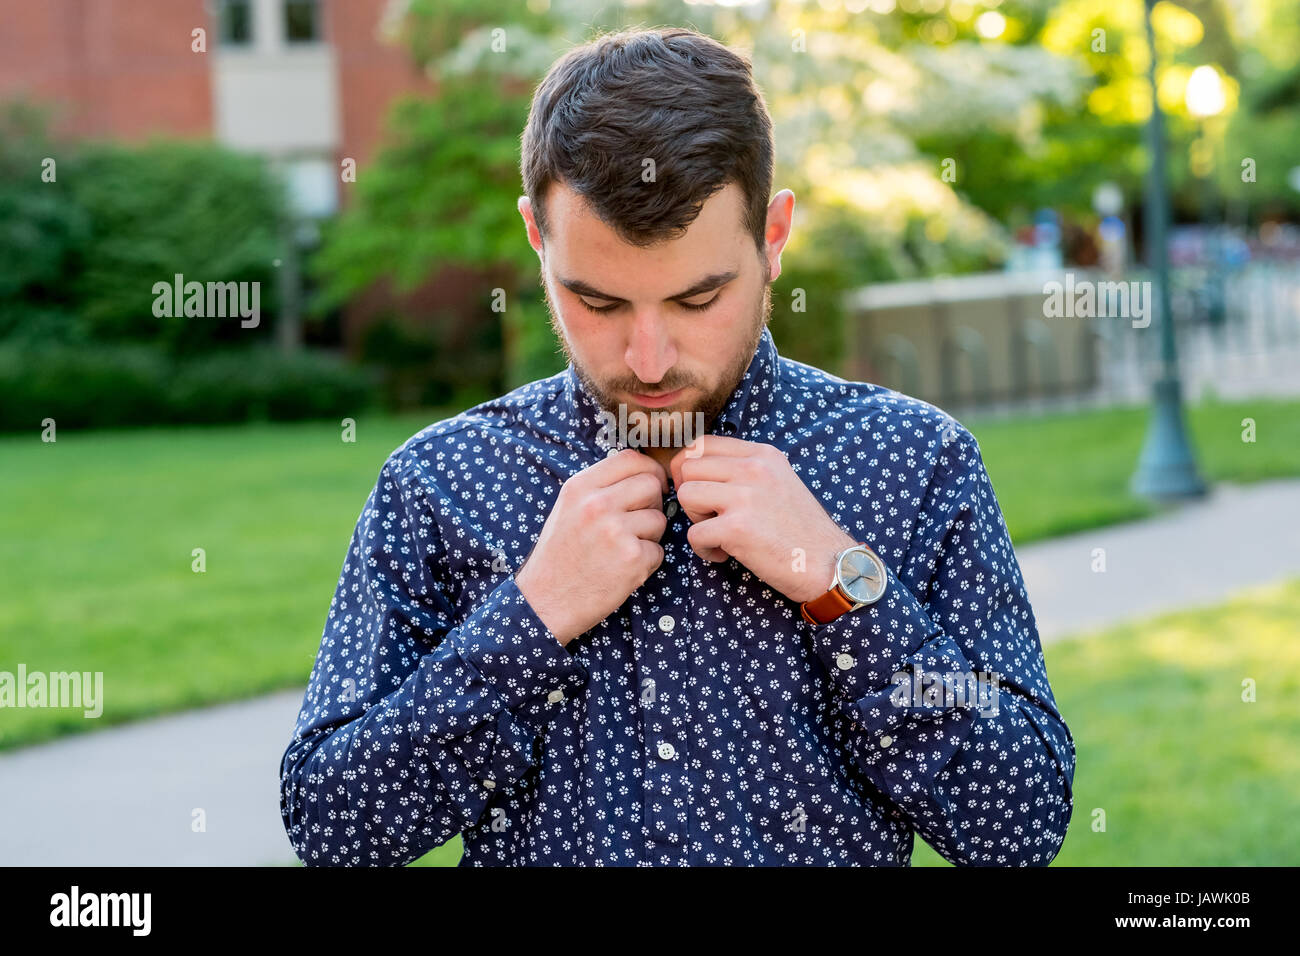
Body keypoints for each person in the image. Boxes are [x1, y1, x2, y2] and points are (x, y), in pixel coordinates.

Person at [279, 25, 1075, 867]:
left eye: (698, 300)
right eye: (598, 301)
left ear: (772, 237)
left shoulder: (914, 462)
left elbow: (1019, 827)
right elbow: (335, 830)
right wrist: (531, 617)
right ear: (537, 238)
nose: (648, 359)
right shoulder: (444, 484)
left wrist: (844, 586)